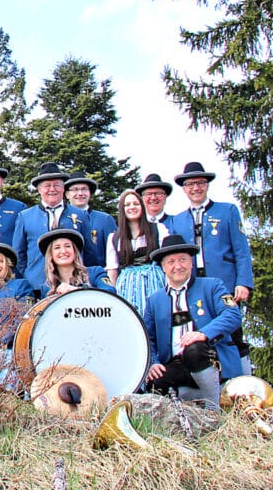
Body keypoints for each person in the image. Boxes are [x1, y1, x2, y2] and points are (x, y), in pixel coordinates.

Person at [167, 161, 254, 372]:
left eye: (200, 183)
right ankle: (212, 385)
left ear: (206, 185)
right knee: (202, 332)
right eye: (190, 184)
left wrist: (243, 283)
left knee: (233, 333)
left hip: (225, 284)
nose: (195, 188)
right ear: (184, 188)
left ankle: (244, 383)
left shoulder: (227, 211)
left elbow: (241, 250)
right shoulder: (177, 220)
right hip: (195, 287)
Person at [143, 234, 244, 406]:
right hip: (177, 363)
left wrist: (204, 334)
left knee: (194, 349)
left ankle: (213, 411)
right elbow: (147, 338)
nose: (178, 266)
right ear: (163, 267)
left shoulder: (213, 286)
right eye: (171, 262)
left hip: (208, 357)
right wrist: (153, 363)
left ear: (191, 262)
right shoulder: (154, 300)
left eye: (183, 259)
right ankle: (212, 396)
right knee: (155, 383)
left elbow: (233, 315)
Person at [11, 162, 92, 293]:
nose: (52, 189)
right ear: (39, 189)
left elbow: (89, 251)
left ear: (63, 188)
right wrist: (28, 274)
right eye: (47, 186)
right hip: (36, 284)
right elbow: (18, 253)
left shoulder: (80, 215)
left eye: (56, 185)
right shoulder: (25, 216)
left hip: (74, 285)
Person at [106, 189, 168, 314]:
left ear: (142, 206)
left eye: (136, 204)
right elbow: (112, 271)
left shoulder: (157, 229)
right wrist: (111, 297)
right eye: (127, 205)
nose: (132, 207)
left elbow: (167, 261)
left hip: (154, 282)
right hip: (127, 286)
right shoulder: (114, 238)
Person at [38, 229, 116, 298]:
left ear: (75, 251)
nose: (63, 251)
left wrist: (77, 291)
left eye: (68, 246)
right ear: (51, 255)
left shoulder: (95, 273)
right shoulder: (47, 288)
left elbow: (110, 293)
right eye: (57, 247)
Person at [64, 171, 117, 268]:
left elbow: (114, 254)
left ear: (90, 193)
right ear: (67, 194)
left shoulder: (105, 220)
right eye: (75, 190)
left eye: (84, 189)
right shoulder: (60, 220)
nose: (80, 193)